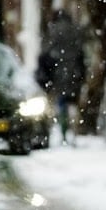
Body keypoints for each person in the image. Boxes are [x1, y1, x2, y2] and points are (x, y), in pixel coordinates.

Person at [36, 9, 86, 145]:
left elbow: (45, 53)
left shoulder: (53, 31)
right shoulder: (76, 30)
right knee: (72, 102)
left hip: (58, 74)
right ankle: (74, 131)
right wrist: (81, 73)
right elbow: (82, 54)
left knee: (61, 103)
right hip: (74, 73)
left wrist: (45, 75)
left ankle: (63, 132)